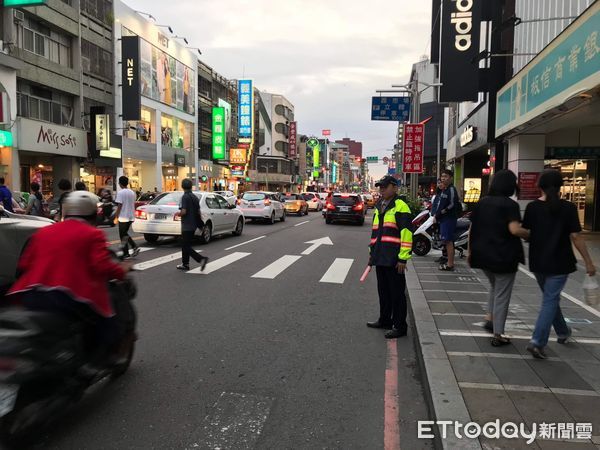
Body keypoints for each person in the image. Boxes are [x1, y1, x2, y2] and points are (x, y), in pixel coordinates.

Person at [7, 190, 132, 367]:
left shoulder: (44, 231)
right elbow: (101, 266)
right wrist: (121, 271)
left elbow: (24, 264)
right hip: (69, 296)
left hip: (31, 293)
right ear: (93, 214)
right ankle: (102, 360)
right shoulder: (92, 234)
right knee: (108, 320)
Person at [522, 170, 597, 359]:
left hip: (538, 262)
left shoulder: (532, 207)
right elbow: (576, 237)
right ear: (560, 186)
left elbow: (527, 233)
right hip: (561, 262)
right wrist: (588, 262)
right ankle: (537, 342)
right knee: (550, 299)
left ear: (540, 186)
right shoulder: (568, 208)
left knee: (550, 299)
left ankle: (563, 331)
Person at [468, 170, 529, 346]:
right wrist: (531, 234)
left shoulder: (482, 203)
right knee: (502, 293)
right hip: (504, 256)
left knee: (495, 287)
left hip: (482, 255)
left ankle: (490, 317)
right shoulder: (510, 205)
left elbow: (472, 228)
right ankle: (498, 334)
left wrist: (471, 252)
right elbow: (515, 230)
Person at [367, 175, 413, 339]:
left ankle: (400, 326)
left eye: (385, 187)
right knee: (383, 292)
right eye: (380, 187)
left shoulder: (401, 206)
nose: (382, 189)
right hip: (381, 256)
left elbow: (406, 233)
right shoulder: (380, 205)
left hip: (394, 259)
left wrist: (403, 258)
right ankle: (385, 319)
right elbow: (375, 233)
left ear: (394, 187)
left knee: (397, 294)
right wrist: (372, 254)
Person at [176, 179, 209, 272]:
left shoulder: (184, 197)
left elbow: (184, 211)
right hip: (194, 224)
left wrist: (178, 214)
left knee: (185, 245)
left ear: (182, 187)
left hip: (186, 224)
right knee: (186, 244)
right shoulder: (194, 197)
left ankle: (201, 259)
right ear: (191, 186)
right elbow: (198, 212)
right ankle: (185, 264)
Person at [435, 169, 460, 271]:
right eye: (442, 176)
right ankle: (449, 262)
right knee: (446, 241)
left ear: (450, 178)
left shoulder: (451, 189)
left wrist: (442, 212)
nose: (443, 178)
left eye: (445, 176)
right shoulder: (444, 190)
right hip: (443, 219)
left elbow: (452, 204)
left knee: (448, 241)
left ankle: (450, 264)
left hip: (449, 218)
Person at [114, 176, 140, 258]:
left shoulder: (121, 193)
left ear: (120, 183)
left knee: (123, 235)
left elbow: (119, 205)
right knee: (124, 234)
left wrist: (116, 217)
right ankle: (126, 252)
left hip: (123, 216)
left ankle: (133, 247)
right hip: (131, 216)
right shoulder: (132, 192)